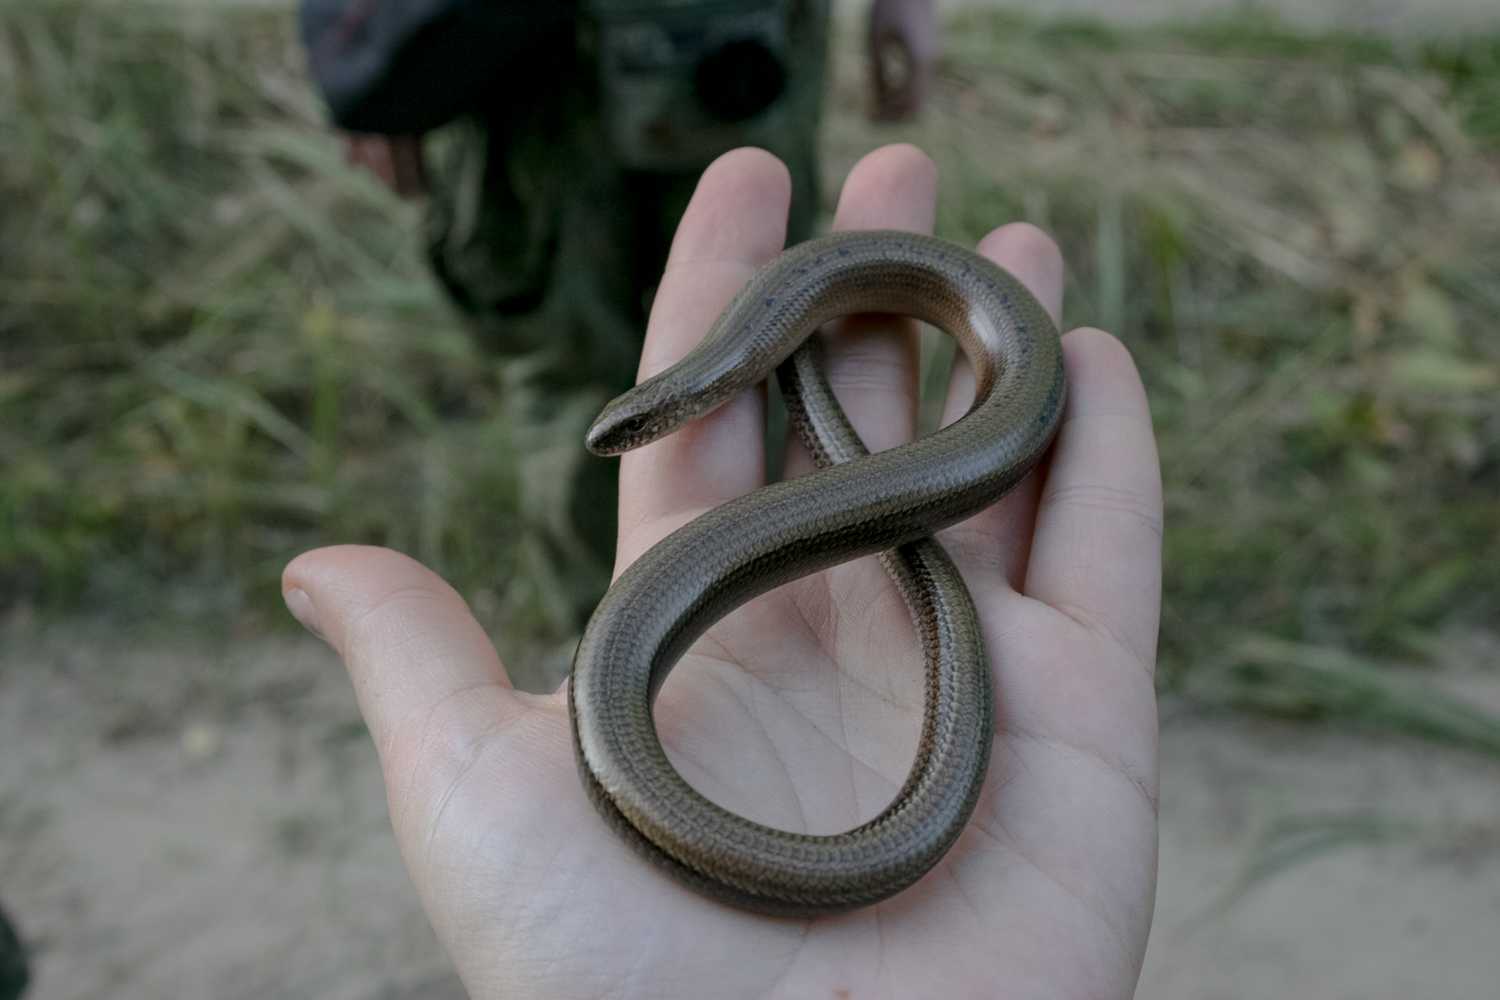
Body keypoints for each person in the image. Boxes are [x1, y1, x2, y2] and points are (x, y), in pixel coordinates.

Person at [282, 144, 1163, 999]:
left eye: (628, 433)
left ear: (665, 413)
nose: (620, 445)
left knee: (900, 543)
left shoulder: (738, 364)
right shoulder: (752, 354)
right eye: (624, 435)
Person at [300, 1, 940, 586]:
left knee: (765, 363)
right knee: (571, 377)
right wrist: (382, 46)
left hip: (743, 45)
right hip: (523, 58)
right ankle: (602, 638)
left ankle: (761, 615)